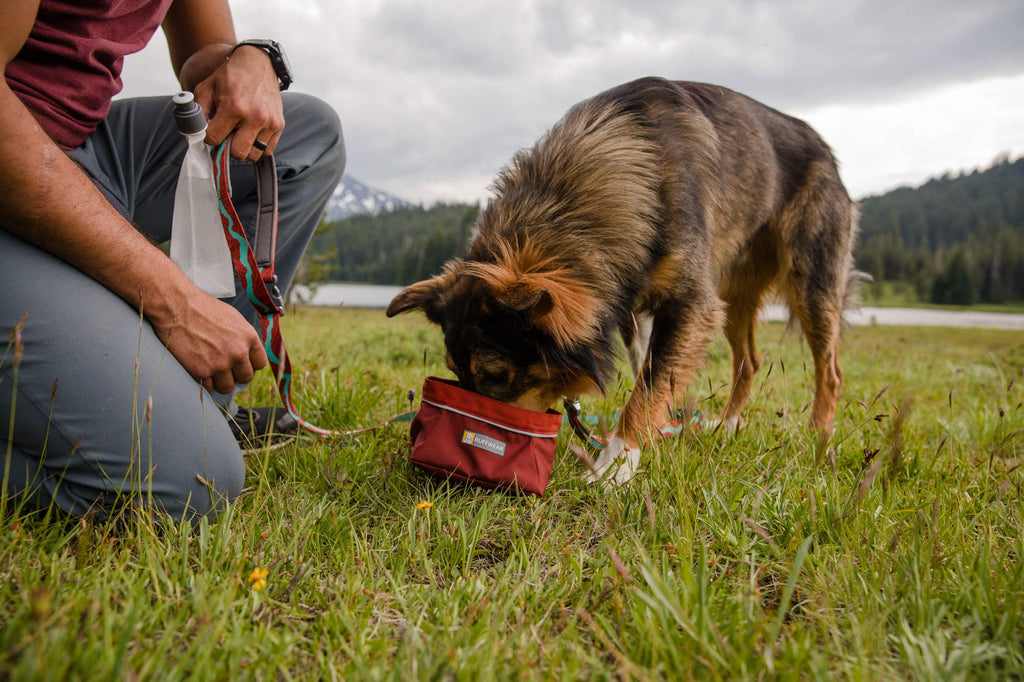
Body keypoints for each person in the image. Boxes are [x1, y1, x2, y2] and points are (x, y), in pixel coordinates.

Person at [0, 0, 346, 521]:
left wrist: (246, 60)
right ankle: (178, 429)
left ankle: (203, 405)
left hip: (87, 146)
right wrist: (173, 300)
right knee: (191, 480)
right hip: (13, 150)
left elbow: (202, 55)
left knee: (308, 134)